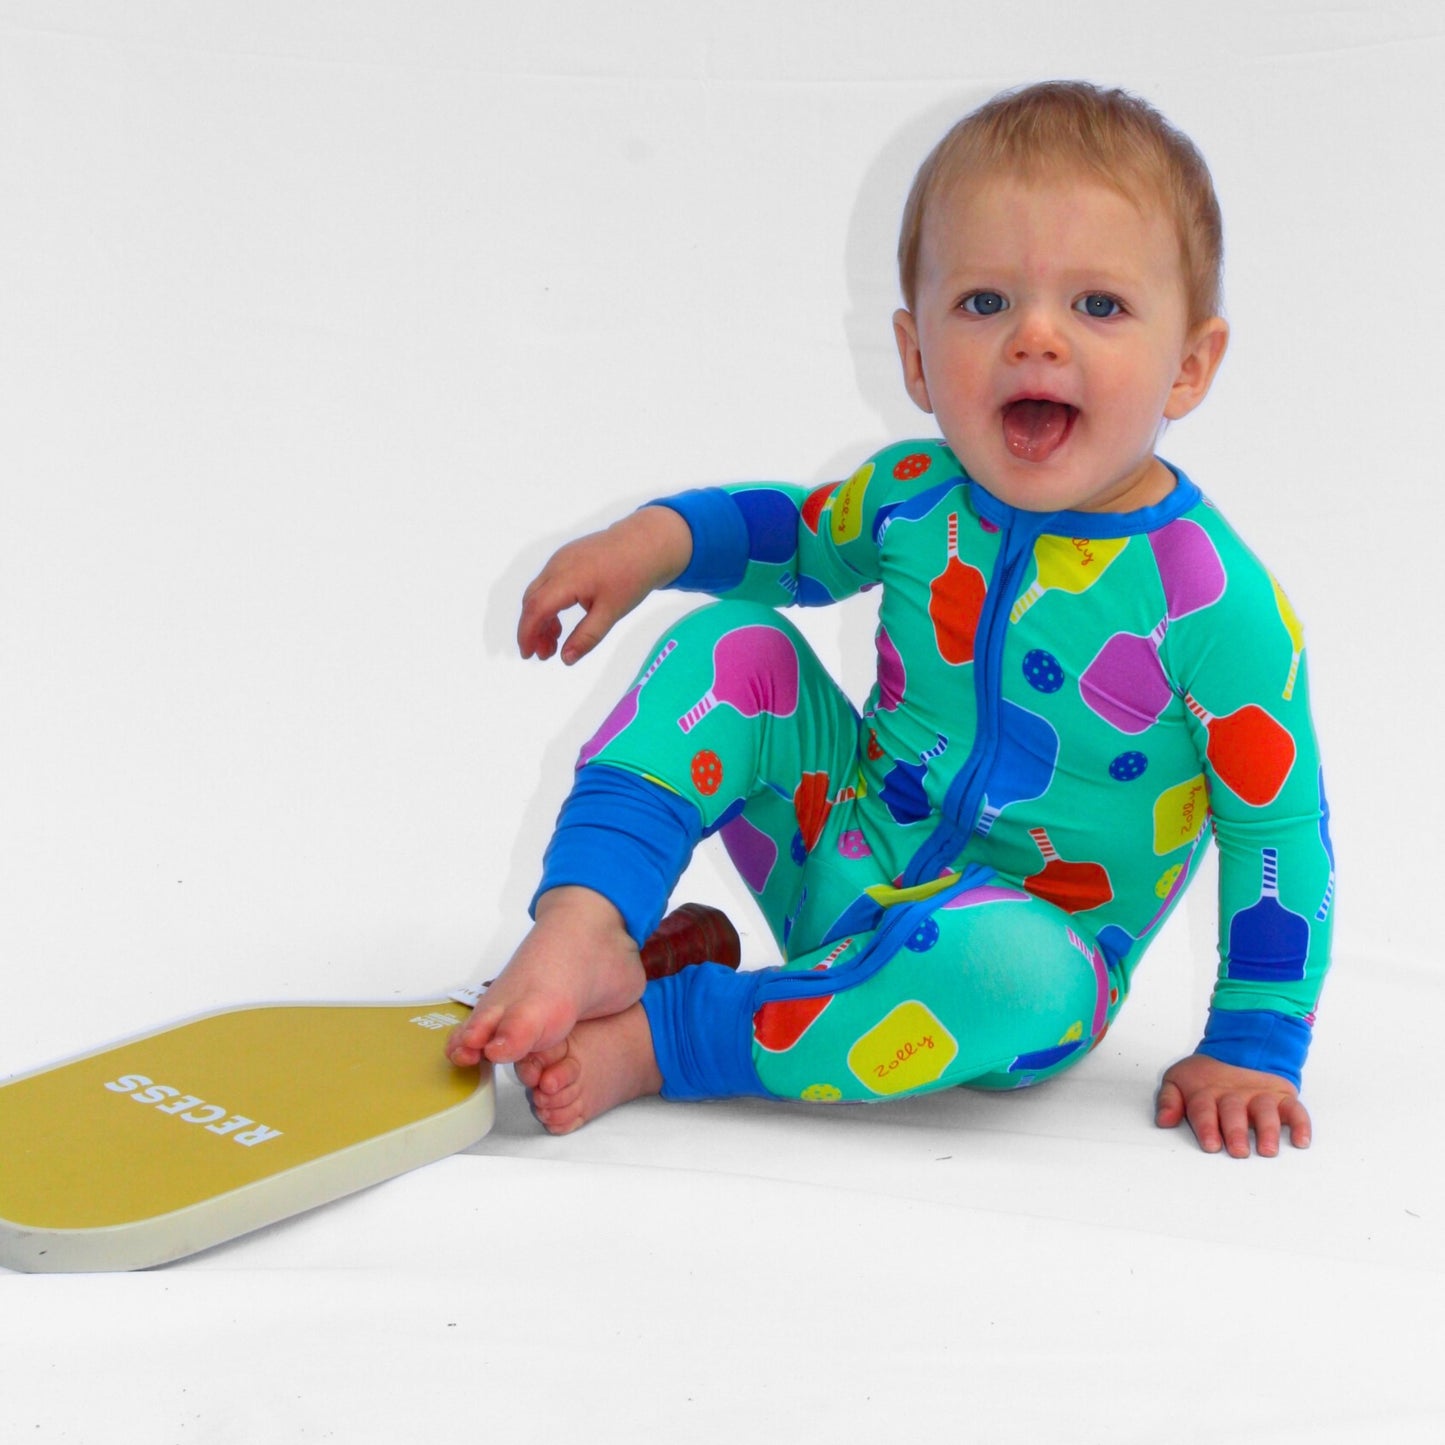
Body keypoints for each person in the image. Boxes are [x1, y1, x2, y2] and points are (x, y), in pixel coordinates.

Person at [447, 80, 1334, 1158]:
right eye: (983, 303)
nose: (1035, 337)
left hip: (1004, 965)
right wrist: (656, 542)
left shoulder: (1213, 600)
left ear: (1188, 364)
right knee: (736, 644)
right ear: (914, 358)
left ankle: (670, 1032)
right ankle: (588, 925)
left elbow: (1275, 831)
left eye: (1097, 305)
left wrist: (1252, 1037)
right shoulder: (913, 496)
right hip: (837, 859)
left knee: (1021, 972)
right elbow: (794, 542)